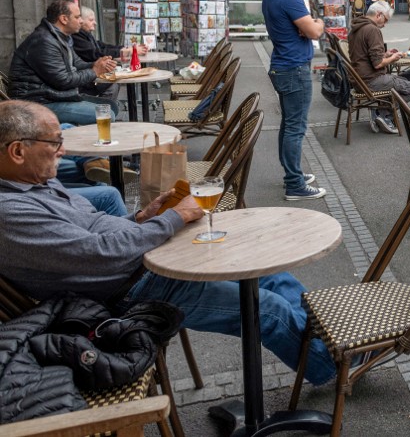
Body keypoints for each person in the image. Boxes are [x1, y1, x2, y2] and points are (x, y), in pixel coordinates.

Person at [0, 100, 336, 385]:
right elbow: (97, 254)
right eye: (55, 142)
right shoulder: (11, 212)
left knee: (268, 272)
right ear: (18, 151)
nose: (63, 149)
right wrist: (175, 218)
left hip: (141, 265)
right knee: (268, 309)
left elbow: (92, 234)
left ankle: (328, 340)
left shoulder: (31, 183)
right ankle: (329, 367)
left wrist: (142, 218)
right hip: (129, 295)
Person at [261, 0, 326, 200]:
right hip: (293, 68)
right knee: (295, 127)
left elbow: (302, 28)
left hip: (283, 65)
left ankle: (292, 174)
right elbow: (314, 31)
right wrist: (317, 22)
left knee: (289, 124)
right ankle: (294, 184)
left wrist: (306, 25)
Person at [8, 0, 119, 125]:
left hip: (53, 96)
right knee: (106, 114)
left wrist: (97, 64)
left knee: (111, 107)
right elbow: (63, 81)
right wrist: (95, 71)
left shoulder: (60, 37)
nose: (81, 21)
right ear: (64, 19)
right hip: (37, 102)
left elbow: (77, 64)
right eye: (77, 17)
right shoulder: (44, 41)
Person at [349, 1, 410, 134]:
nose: (385, 24)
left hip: (359, 80)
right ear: (379, 15)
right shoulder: (372, 29)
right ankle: (382, 112)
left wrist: (385, 54)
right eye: (386, 19)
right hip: (371, 80)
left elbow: (364, 55)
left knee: (401, 80)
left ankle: (381, 110)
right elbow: (377, 64)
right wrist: (392, 58)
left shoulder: (357, 27)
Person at [72, 6, 141, 99]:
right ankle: (103, 111)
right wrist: (124, 51)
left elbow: (102, 46)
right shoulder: (76, 36)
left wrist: (124, 49)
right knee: (112, 85)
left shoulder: (85, 34)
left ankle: (107, 110)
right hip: (83, 81)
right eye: (91, 20)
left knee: (114, 83)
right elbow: (95, 54)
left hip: (88, 75)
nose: (95, 23)